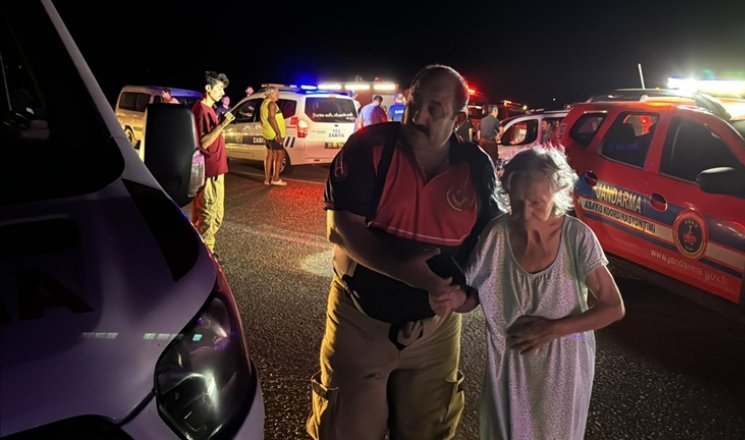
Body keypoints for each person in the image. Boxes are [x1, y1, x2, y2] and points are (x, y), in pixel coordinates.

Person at [308, 64, 502, 440]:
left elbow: (491, 242)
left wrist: (473, 295)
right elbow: (343, 230)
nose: (419, 115)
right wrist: (415, 275)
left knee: (427, 430)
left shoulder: (475, 167)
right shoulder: (369, 148)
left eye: (435, 108)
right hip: (360, 322)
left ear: (459, 118)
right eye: (414, 104)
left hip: (438, 332)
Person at [444, 147, 626, 440]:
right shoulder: (496, 234)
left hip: (562, 368)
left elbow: (612, 307)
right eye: (517, 203)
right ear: (506, 191)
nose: (526, 213)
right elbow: (475, 294)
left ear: (558, 194)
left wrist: (552, 329)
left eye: (536, 203)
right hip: (510, 364)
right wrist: (456, 300)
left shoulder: (576, 237)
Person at [191, 71, 235, 255]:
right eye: (219, 89)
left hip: (218, 170)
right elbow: (204, 142)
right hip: (209, 171)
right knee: (208, 215)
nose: (222, 93)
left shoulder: (210, 109)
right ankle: (205, 256)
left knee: (216, 215)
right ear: (208, 88)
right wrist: (222, 125)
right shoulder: (201, 110)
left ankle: (199, 247)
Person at [260, 86, 288, 186]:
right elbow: (271, 118)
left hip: (268, 134)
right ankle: (275, 178)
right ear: (271, 93)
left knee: (270, 155)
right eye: (277, 93)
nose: (278, 95)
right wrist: (278, 133)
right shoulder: (271, 103)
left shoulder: (264, 103)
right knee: (280, 154)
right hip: (274, 135)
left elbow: (263, 119)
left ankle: (267, 179)